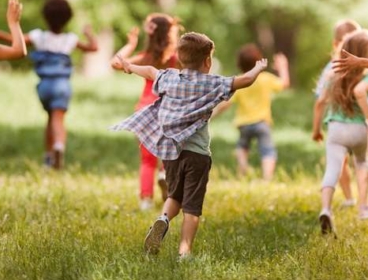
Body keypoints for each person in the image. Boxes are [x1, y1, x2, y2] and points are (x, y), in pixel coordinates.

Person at [110, 32, 268, 257]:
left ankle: (163, 218)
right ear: (208, 61)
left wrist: (130, 67)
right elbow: (244, 80)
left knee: (175, 196)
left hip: (172, 153)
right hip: (198, 155)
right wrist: (257, 68)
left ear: (180, 58)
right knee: (192, 207)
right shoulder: (212, 83)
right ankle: (185, 252)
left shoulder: (170, 77)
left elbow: (150, 71)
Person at [0, 0, 98, 169]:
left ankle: (48, 158)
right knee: (58, 119)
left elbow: (12, 41)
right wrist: (89, 34)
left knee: (50, 118)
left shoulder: (39, 36)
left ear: (45, 16)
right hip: (62, 85)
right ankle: (59, 146)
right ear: (67, 18)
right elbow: (93, 48)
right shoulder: (70, 39)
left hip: (44, 86)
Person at [312, 30, 368, 236]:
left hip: (335, 129)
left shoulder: (332, 73)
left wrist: (316, 129)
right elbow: (360, 92)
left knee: (332, 169)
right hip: (359, 129)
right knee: (361, 163)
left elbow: (320, 102)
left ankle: (326, 209)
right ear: (366, 52)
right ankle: (363, 207)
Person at [111, 13, 181, 211]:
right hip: (168, 110)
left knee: (147, 159)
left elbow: (115, 63)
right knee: (170, 153)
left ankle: (145, 200)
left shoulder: (146, 57)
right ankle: (165, 176)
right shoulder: (176, 57)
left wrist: (130, 45)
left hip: (144, 110)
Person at [213, 43, 289, 180]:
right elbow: (284, 83)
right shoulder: (265, 78)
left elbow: (227, 103)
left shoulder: (240, 81)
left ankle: (243, 169)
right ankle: (267, 178)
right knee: (267, 151)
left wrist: (213, 113)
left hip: (244, 123)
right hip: (262, 122)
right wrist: (283, 67)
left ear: (239, 64)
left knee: (242, 147)